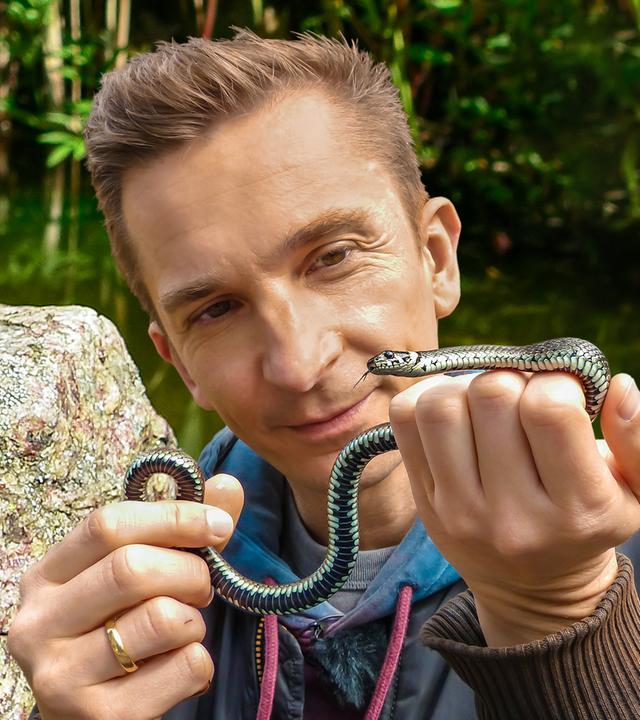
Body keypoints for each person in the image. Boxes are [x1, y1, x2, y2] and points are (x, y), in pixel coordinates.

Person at [8, 30, 640, 720]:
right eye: (217, 309)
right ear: (179, 362)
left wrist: (563, 623)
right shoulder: (148, 602)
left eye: (333, 257)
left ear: (436, 260)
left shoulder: (615, 530)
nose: (299, 364)